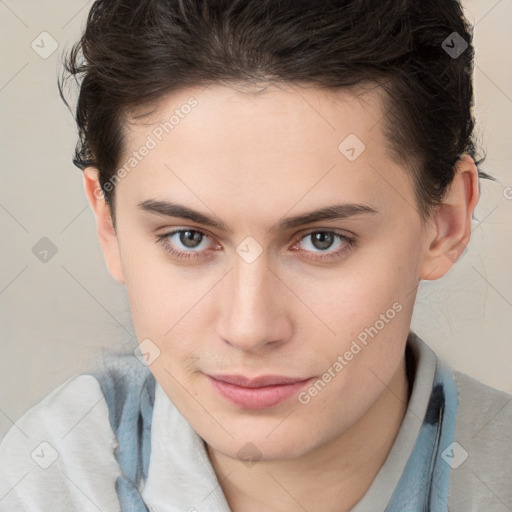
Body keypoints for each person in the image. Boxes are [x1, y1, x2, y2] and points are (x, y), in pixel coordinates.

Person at [0, 0, 510, 510]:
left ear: (445, 223)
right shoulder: (42, 481)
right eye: (189, 238)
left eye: (322, 240)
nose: (250, 328)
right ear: (108, 224)